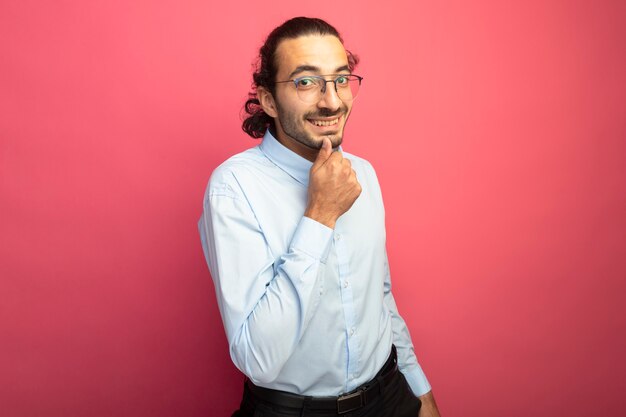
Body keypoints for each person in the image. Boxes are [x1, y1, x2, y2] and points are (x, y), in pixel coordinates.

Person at [199, 17, 441, 417]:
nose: (332, 101)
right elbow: (257, 358)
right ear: (268, 100)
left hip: (391, 396)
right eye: (305, 82)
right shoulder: (233, 187)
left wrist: (418, 388)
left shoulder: (363, 173)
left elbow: (378, 295)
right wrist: (320, 214)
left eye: (341, 79)